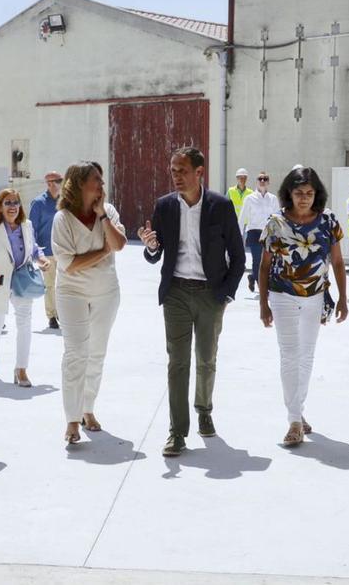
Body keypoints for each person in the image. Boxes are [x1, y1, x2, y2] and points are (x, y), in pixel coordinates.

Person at [137, 147, 245, 457]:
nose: (176, 176)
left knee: (206, 359)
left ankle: (204, 409)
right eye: (173, 170)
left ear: (200, 172)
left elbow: (238, 256)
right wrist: (151, 247)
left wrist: (225, 293)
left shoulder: (221, 207)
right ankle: (177, 432)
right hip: (176, 294)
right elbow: (154, 253)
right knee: (177, 362)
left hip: (210, 294)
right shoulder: (165, 206)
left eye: (182, 170)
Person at [258, 167, 348, 446]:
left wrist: (343, 298)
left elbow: (338, 262)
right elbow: (264, 266)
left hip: (315, 296)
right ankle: (294, 421)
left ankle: (297, 409)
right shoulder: (275, 222)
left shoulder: (328, 220)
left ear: (316, 194)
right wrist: (263, 303)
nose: (304, 198)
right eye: (298, 193)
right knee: (290, 354)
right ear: (289, 194)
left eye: (309, 193)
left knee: (307, 355)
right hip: (282, 294)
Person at [51, 161, 126, 445]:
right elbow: (68, 265)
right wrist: (103, 250)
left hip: (106, 291)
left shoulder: (108, 211)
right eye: (96, 179)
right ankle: (72, 420)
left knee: (96, 353)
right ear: (80, 183)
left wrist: (103, 218)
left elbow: (118, 245)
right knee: (75, 353)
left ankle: (88, 409)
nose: (102, 184)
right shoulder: (63, 219)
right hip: (71, 292)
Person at [0, 188, 49, 387]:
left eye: (16, 203)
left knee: (25, 323)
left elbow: (34, 247)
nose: (13, 207)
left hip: (21, 279)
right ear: (0, 207)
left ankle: (21, 369)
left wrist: (41, 258)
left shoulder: (26, 225)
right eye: (8, 203)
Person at [29, 171, 63, 330]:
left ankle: (63, 313)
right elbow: (31, 230)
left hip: (64, 250)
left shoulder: (66, 202)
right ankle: (52, 316)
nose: (55, 184)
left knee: (65, 285)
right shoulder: (38, 203)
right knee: (50, 285)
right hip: (46, 251)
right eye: (51, 182)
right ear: (47, 184)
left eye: (58, 181)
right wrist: (35, 253)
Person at [237, 171, 276, 293]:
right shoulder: (250, 199)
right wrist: (238, 234)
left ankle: (253, 277)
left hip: (268, 233)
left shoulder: (273, 199)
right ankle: (262, 286)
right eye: (260, 179)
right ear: (257, 182)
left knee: (269, 260)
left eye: (265, 179)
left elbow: (278, 217)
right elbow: (242, 217)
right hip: (254, 232)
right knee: (257, 259)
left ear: (268, 182)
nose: (262, 181)